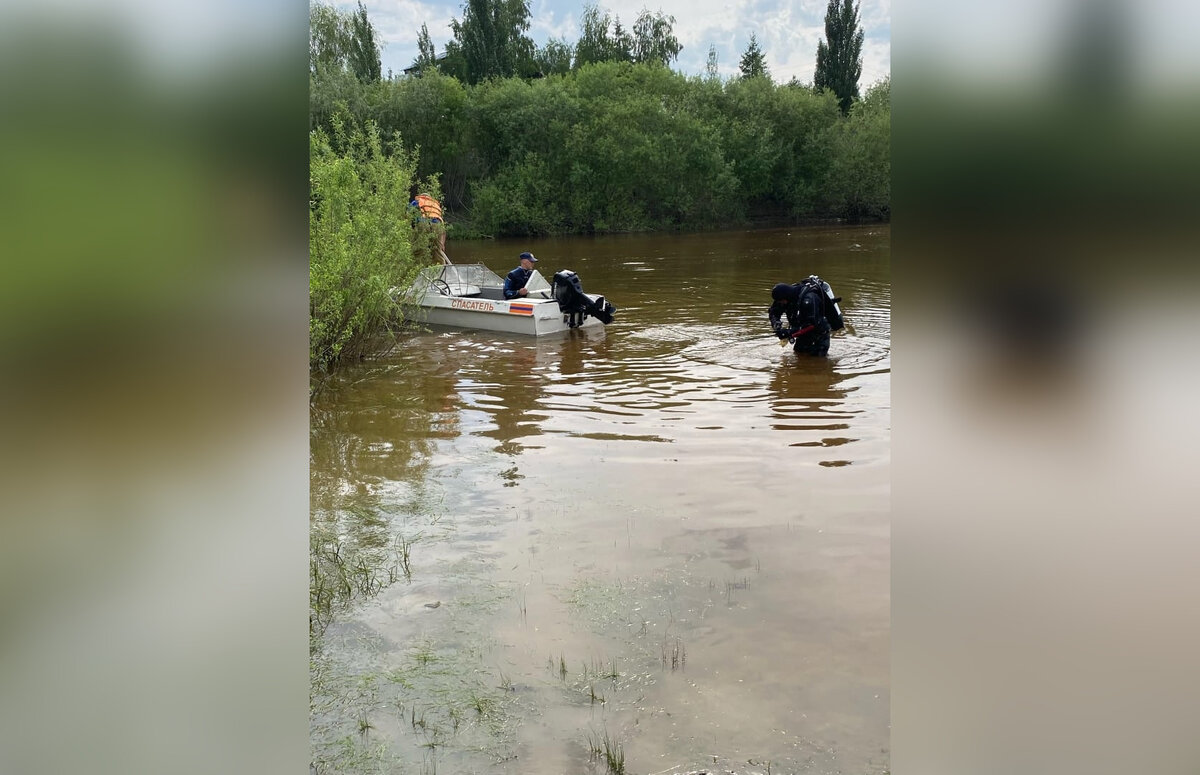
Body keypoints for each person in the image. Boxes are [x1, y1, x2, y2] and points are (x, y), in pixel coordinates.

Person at [769, 280, 832, 356]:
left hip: (818, 335)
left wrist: (788, 332)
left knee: (817, 363)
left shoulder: (809, 299)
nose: (781, 303)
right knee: (798, 356)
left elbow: (811, 325)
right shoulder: (783, 298)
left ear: (786, 297)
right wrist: (776, 323)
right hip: (802, 334)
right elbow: (773, 312)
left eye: (781, 301)